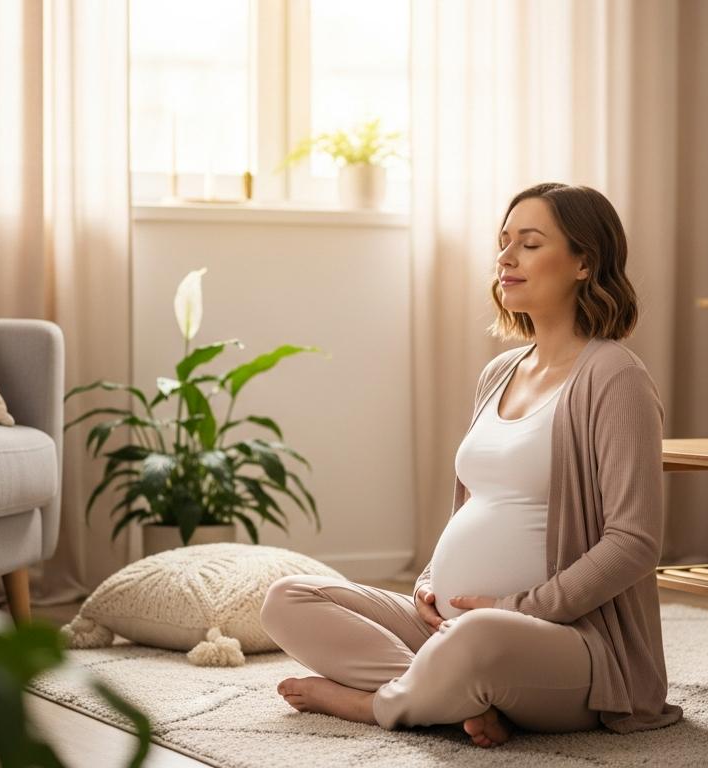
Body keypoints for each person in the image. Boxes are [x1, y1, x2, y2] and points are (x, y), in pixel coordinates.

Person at [259, 182, 682, 747]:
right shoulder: (500, 371)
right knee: (287, 597)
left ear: (585, 261)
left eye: (529, 244)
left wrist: (517, 608)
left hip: (570, 643)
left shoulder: (614, 377)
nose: (505, 258)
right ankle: (457, 697)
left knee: (480, 637)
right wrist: (431, 582)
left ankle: (379, 704)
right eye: (503, 242)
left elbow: (633, 542)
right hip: (449, 628)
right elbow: (478, 504)